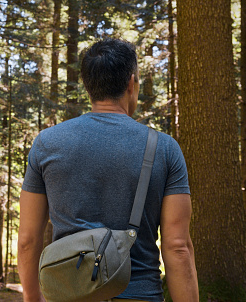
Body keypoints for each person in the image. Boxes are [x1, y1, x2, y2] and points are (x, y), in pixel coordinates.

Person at [17, 38, 198, 302]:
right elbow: (177, 247)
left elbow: (27, 240)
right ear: (131, 83)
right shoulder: (164, 149)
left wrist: (33, 299)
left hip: (70, 296)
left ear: (88, 87)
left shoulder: (47, 143)